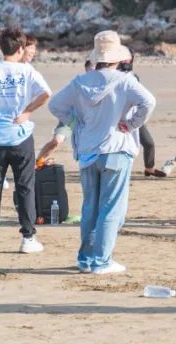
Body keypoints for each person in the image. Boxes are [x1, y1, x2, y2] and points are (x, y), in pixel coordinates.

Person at [48, 31, 157, 273]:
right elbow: (149, 102)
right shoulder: (126, 80)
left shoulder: (79, 82)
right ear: (118, 57)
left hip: (87, 151)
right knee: (111, 209)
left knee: (90, 208)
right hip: (116, 149)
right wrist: (132, 124)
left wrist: (76, 121)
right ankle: (102, 261)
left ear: (96, 57)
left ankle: (86, 259)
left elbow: (54, 105)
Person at [0, 27, 52, 254]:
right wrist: (27, 112)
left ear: (1, 48)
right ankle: (28, 238)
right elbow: (46, 94)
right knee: (25, 187)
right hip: (20, 137)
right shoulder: (27, 70)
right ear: (20, 49)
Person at [113, 48, 165, 178]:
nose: (126, 60)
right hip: (116, 118)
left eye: (128, 57)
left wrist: (135, 120)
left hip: (134, 118)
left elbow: (144, 100)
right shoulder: (112, 76)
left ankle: (149, 168)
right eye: (123, 57)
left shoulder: (133, 76)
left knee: (149, 143)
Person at [36, 59, 93, 169]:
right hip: (71, 117)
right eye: (89, 70)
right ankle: (38, 163)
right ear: (86, 70)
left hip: (89, 119)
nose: (92, 73)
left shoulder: (101, 83)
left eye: (94, 70)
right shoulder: (78, 83)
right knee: (56, 141)